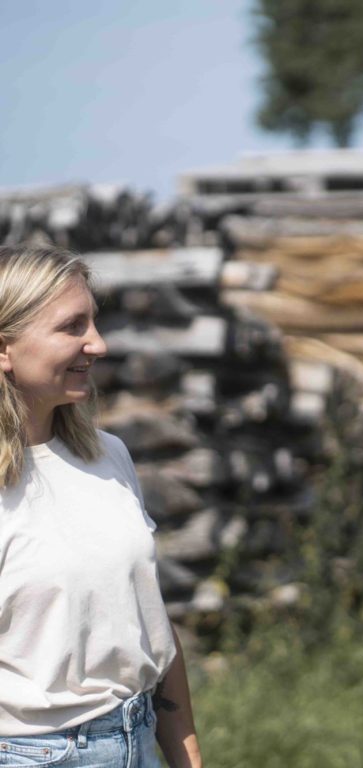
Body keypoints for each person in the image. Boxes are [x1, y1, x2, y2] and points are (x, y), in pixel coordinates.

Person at [0, 245, 202, 767]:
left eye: (95, 322)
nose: (99, 344)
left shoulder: (109, 456)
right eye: (72, 327)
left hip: (138, 739)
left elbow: (149, 617)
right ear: (4, 350)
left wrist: (187, 756)